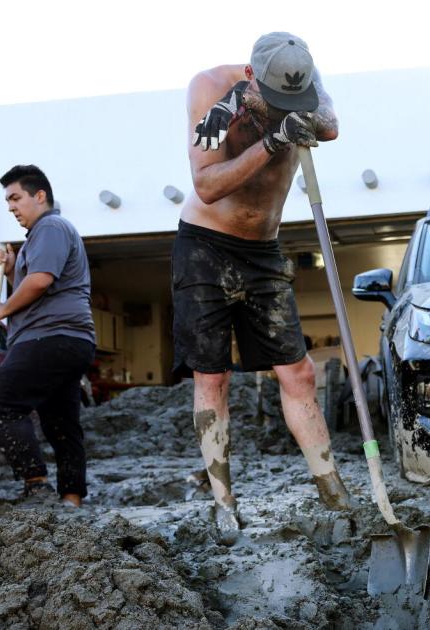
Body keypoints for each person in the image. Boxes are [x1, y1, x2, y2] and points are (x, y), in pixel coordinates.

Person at [176, 32, 352, 535]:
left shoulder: (305, 79)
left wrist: (308, 117)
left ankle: (333, 490)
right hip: (205, 247)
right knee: (212, 377)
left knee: (298, 373)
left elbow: (332, 125)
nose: (281, 109)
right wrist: (272, 141)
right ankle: (223, 500)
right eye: (274, 102)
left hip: (264, 250)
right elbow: (206, 185)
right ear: (252, 77)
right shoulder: (212, 91)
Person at [0, 164, 96, 508]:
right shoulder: (42, 236)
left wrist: (1, 309)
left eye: (16, 198)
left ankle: (36, 486)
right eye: (7, 201)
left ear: (40, 195)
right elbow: (34, 284)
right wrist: (12, 267)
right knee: (61, 422)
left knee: (3, 406)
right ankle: (71, 497)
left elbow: (40, 281)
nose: (11, 207)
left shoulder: (50, 226)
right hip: (68, 340)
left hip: (48, 338)